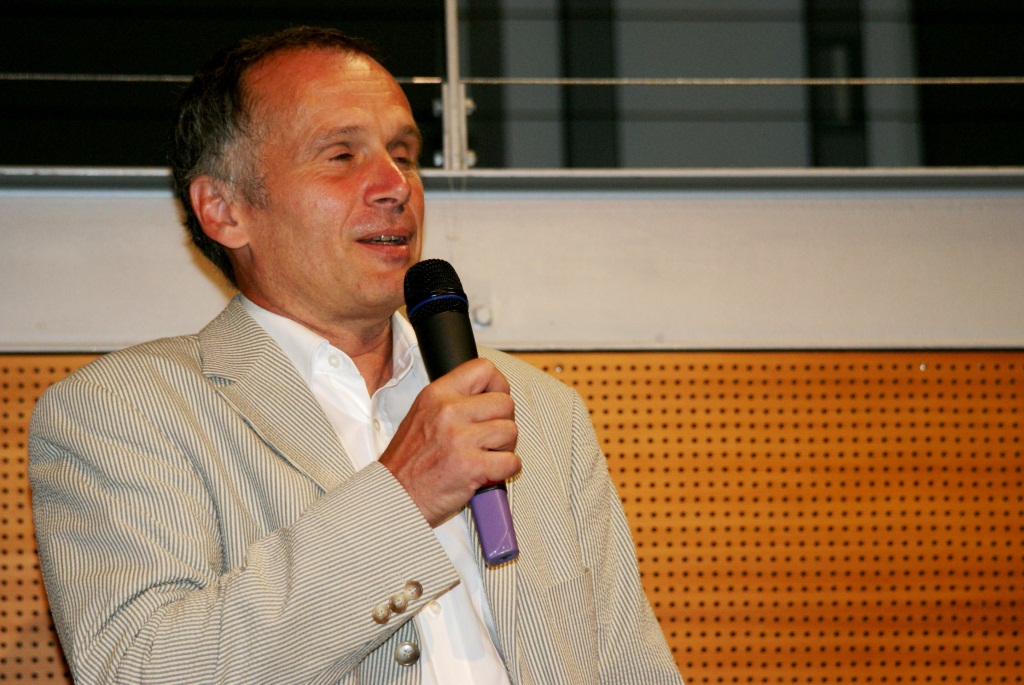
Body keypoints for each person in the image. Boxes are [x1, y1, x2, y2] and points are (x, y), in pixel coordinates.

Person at [28, 26, 684, 685]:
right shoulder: (122, 412)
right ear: (224, 210)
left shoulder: (539, 408)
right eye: (341, 155)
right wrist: (403, 498)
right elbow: (142, 669)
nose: (395, 185)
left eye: (404, 153)